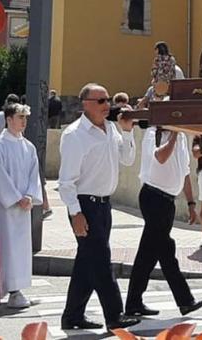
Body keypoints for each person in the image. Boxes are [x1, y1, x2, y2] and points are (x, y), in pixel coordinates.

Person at [57, 83, 141, 331]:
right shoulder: (75, 135)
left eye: (108, 100)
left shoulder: (111, 129)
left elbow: (127, 159)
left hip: (104, 205)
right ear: (86, 104)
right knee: (101, 260)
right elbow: (65, 181)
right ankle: (115, 315)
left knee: (87, 262)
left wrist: (127, 132)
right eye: (101, 101)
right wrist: (76, 213)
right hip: (85, 204)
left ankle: (72, 315)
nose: (108, 105)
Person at [123, 99, 202, 319]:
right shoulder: (154, 133)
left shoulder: (180, 138)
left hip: (168, 201)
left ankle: (133, 303)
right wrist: (175, 135)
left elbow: (185, 173)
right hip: (153, 197)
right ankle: (185, 301)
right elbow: (160, 157)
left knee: (147, 255)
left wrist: (190, 203)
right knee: (166, 251)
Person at [0, 103, 44, 309]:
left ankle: (17, 288)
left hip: (23, 207)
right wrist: (14, 197)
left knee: (20, 248)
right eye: (19, 117)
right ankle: (8, 289)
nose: (23, 121)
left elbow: (33, 173)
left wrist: (29, 195)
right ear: (9, 119)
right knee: (7, 246)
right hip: (6, 207)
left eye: (25, 117)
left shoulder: (28, 147)